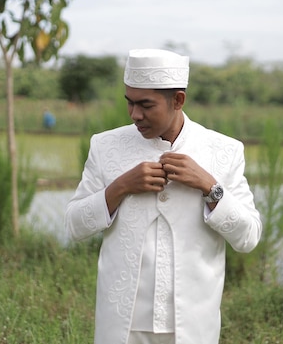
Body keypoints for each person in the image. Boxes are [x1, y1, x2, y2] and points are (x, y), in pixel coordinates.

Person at [65, 48, 262, 344]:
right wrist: (120, 187)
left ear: (178, 100)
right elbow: (74, 226)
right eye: (129, 103)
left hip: (193, 326)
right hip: (123, 325)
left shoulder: (224, 151)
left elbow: (248, 238)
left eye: (146, 105)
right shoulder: (105, 147)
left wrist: (210, 186)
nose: (135, 115)